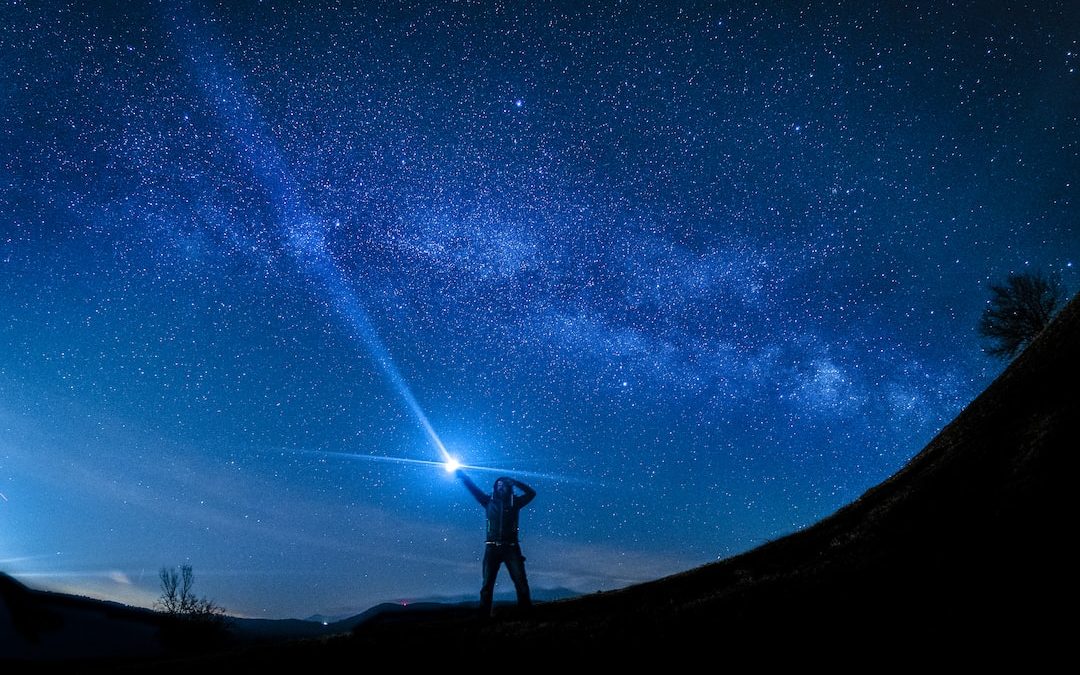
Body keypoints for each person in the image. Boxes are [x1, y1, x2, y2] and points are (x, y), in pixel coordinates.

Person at [456, 469, 536, 617]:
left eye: (504, 484)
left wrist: (516, 482)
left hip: (511, 547)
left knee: (521, 582)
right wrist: (464, 478)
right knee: (487, 584)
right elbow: (474, 490)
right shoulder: (488, 501)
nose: (500, 486)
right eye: (498, 484)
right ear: (495, 487)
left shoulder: (515, 502)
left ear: (509, 487)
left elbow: (532, 493)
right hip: (491, 547)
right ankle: (484, 615)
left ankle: (526, 614)